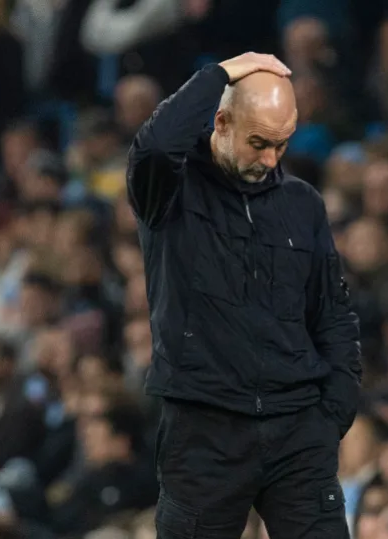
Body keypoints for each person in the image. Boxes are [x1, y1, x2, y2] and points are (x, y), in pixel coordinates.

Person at [126, 52, 362, 538]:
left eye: (281, 144)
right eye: (258, 143)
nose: (271, 159)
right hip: (203, 431)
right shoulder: (171, 190)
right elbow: (155, 147)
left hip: (298, 429)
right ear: (221, 121)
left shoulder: (303, 204)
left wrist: (331, 415)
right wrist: (217, 74)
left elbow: (332, 314)